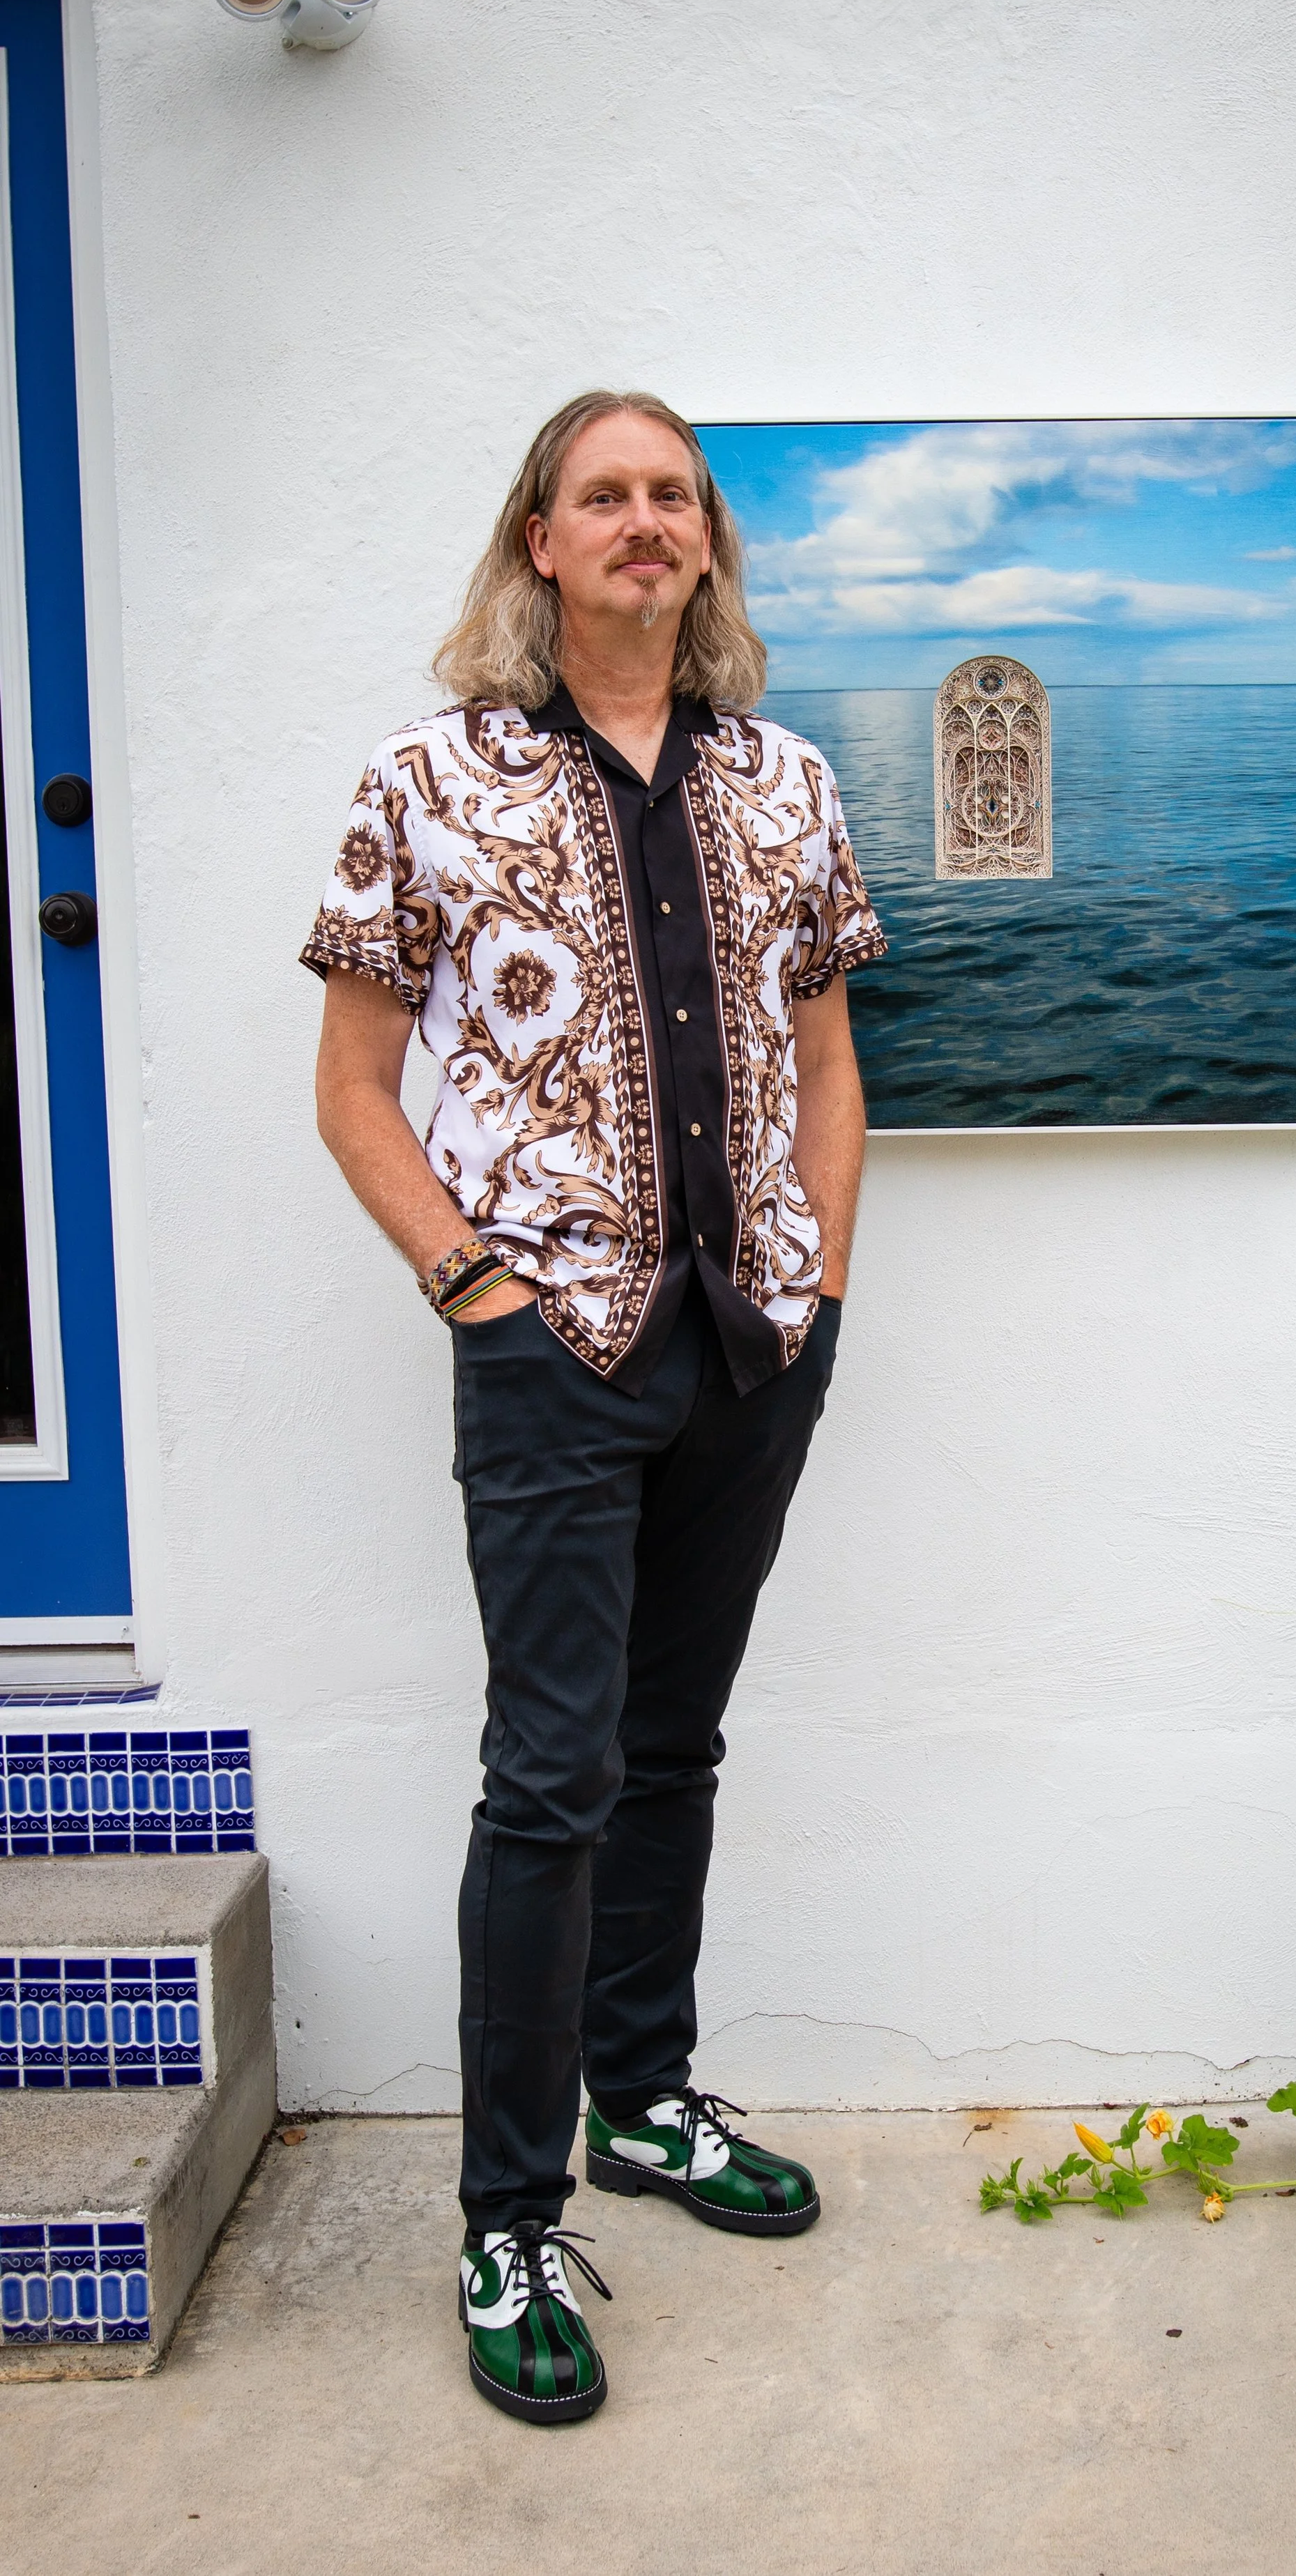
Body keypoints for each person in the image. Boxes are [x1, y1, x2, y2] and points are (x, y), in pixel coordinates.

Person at [303, 390, 885, 2424]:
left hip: (750, 1347)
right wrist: (475, 1288)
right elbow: (353, 1090)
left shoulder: (789, 781)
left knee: (673, 1745)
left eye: (671, 497)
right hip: (550, 1360)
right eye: (601, 496)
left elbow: (827, 1054)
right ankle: (502, 2210)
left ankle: (644, 2096)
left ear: (705, 546)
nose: (641, 524)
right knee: (547, 1778)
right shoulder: (422, 779)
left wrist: (810, 1275)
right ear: (537, 541)